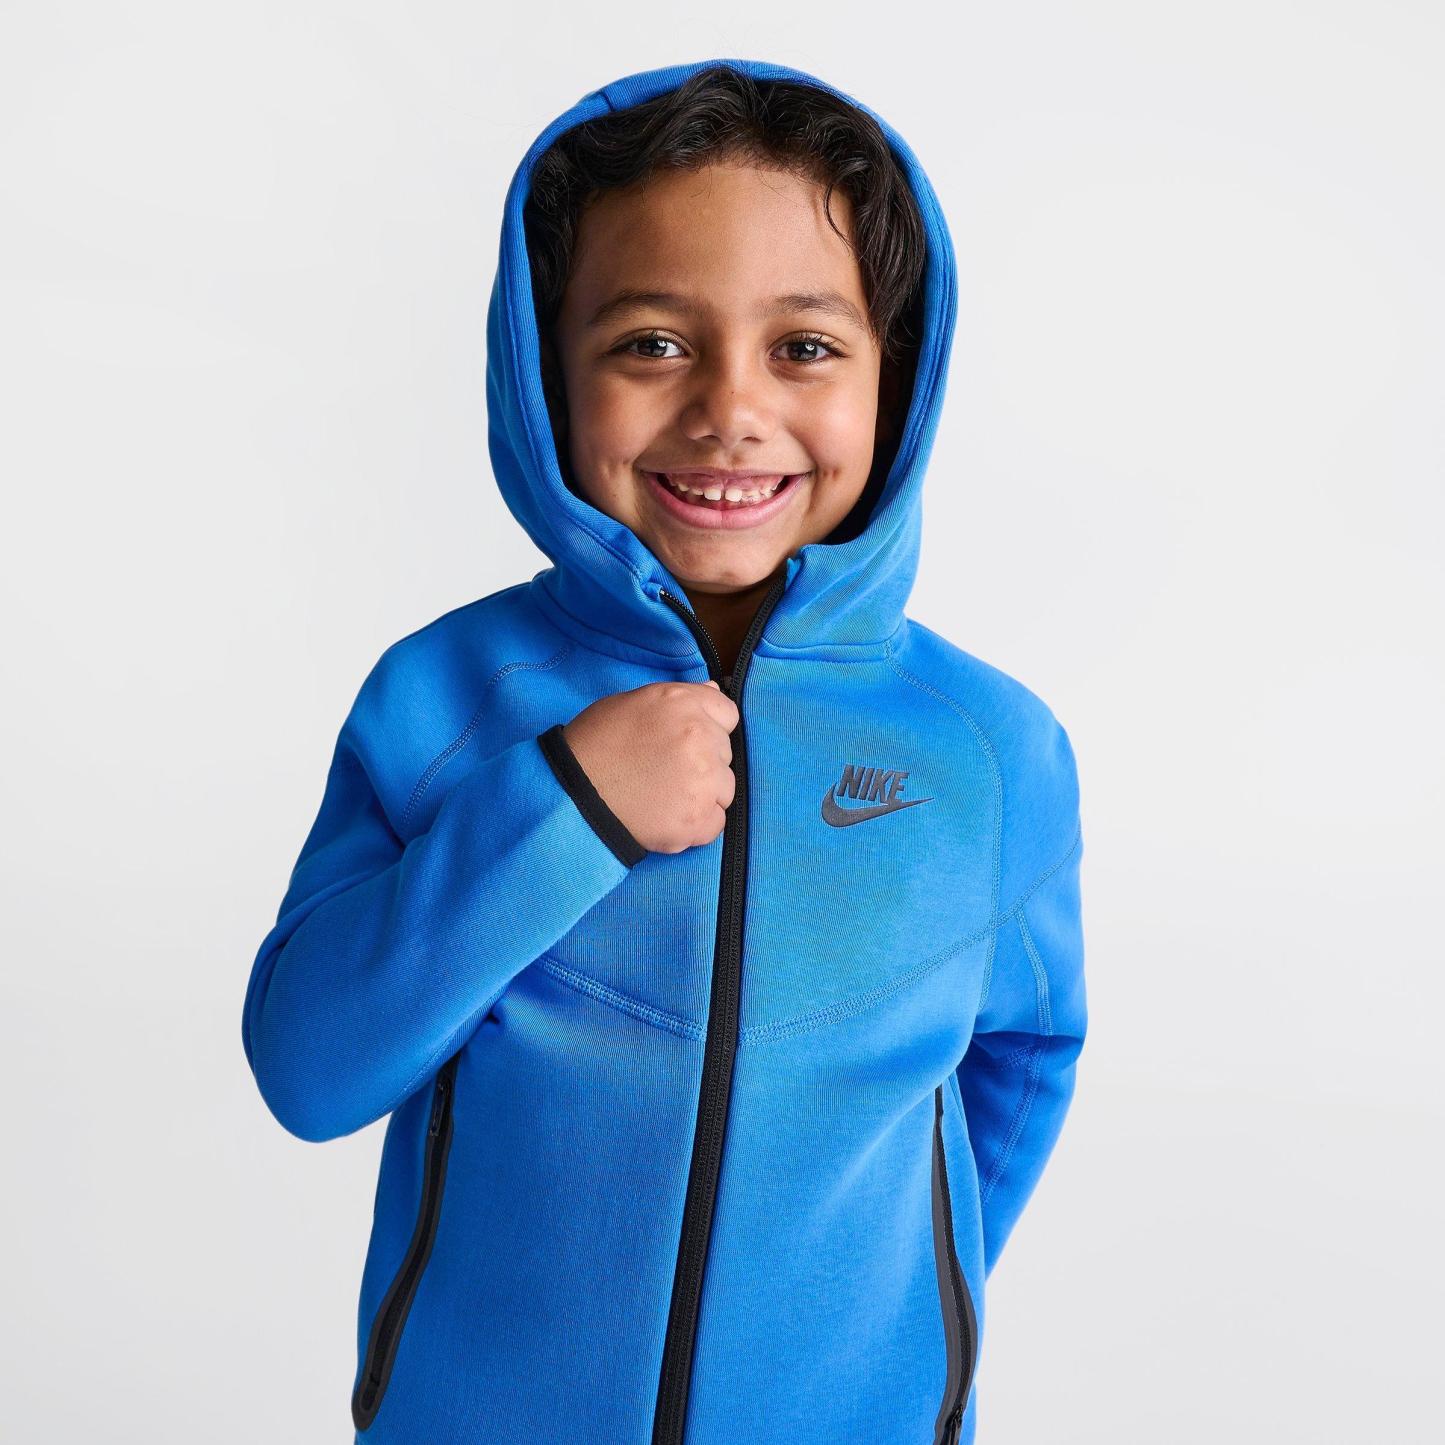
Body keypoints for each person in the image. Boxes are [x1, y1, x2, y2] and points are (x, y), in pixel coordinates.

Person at [241, 57, 1088, 1445]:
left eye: (803, 347)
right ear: (545, 370)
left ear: (897, 373)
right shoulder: (443, 701)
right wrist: (565, 806)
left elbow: (1020, 1064)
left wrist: (888, 1333)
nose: (728, 410)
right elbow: (310, 1067)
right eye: (650, 342)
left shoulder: (989, 752)